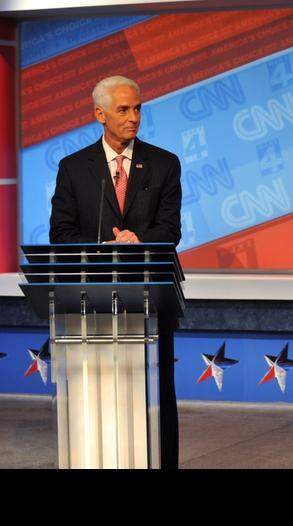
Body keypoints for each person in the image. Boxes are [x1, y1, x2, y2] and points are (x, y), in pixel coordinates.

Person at [49, 75, 182, 469]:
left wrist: (136, 239)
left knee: (157, 394)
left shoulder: (163, 163)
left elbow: (170, 229)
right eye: (124, 109)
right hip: (91, 300)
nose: (134, 117)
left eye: (138, 108)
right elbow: (61, 232)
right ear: (100, 114)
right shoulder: (73, 168)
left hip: (151, 297)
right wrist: (103, 249)